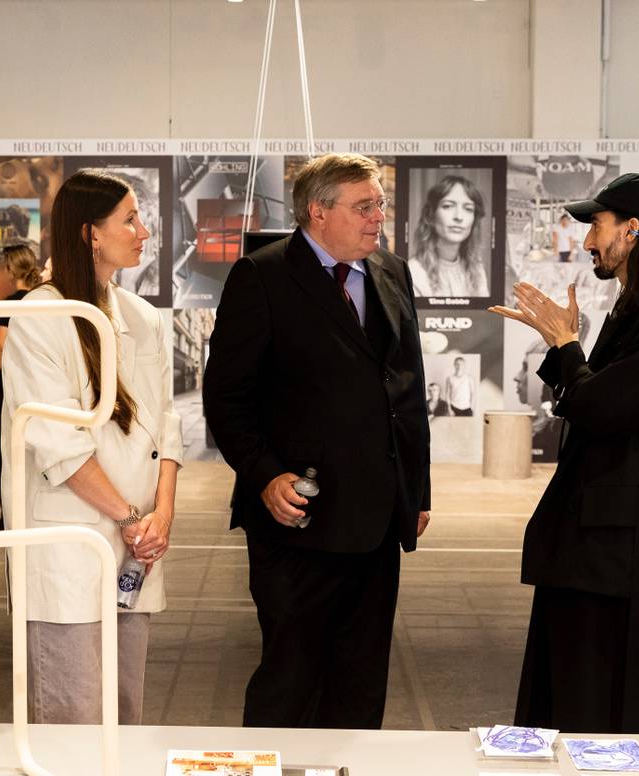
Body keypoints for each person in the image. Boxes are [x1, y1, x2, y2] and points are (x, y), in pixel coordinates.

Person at [489, 173, 639, 733]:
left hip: (625, 545)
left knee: (603, 697)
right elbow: (597, 392)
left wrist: (566, 344)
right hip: (601, 535)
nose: (589, 240)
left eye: (597, 225)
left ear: (634, 229)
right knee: (573, 688)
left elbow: (607, 406)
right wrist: (561, 347)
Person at [202, 152, 431, 729]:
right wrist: (263, 474)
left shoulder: (391, 271)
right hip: (298, 517)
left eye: (380, 203)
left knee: (361, 680)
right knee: (291, 675)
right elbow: (227, 397)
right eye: (364, 206)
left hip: (378, 517)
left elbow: (407, 389)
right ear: (317, 211)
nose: (377, 216)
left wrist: (416, 490)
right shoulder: (263, 275)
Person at [1, 169, 182, 724]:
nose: (143, 231)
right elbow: (58, 445)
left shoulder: (143, 317)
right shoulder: (40, 316)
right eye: (129, 218)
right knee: (72, 712)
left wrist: (161, 516)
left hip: (137, 542)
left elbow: (166, 425)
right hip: (68, 544)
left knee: (125, 709)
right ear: (90, 234)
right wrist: (130, 516)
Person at [0, 241, 42, 529]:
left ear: (9, 268)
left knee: (6, 453)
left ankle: (10, 517)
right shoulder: (42, 301)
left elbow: (0, 347)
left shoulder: (9, 303)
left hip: (9, 387)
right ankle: (27, 514)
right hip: (37, 384)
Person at [408, 174, 490, 297]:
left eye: (468, 209)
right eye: (448, 206)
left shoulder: (477, 270)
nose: (458, 217)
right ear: (431, 215)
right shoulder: (413, 271)